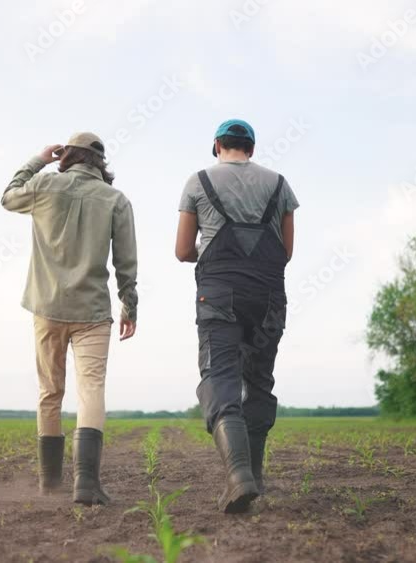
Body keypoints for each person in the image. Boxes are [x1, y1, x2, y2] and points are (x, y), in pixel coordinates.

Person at [1, 132, 138, 505]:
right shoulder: (115, 200)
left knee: (50, 392)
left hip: (46, 307)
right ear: (100, 164)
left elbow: (8, 196)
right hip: (93, 311)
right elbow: (126, 263)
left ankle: (49, 484)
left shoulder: (45, 184)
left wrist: (39, 160)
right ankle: (86, 484)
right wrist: (130, 305)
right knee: (91, 389)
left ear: (69, 157)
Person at [175, 119, 298, 513]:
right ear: (252, 149)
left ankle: (238, 476)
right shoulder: (280, 184)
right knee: (259, 380)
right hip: (268, 297)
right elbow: (287, 251)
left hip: (219, 295)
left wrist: (212, 248)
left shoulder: (197, 182)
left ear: (216, 146)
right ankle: (255, 477)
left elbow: (181, 250)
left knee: (220, 377)